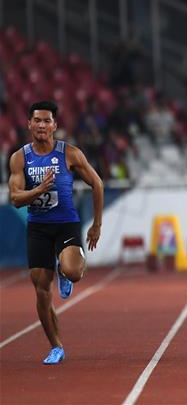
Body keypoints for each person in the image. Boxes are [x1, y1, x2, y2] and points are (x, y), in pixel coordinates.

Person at [7, 101, 104, 364]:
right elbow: (15, 198)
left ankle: (64, 270)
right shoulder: (19, 158)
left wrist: (96, 224)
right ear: (29, 124)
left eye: (46, 120)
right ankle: (56, 347)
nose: (41, 125)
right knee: (41, 291)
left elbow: (97, 183)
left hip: (65, 224)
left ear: (55, 125)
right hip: (38, 228)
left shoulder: (69, 153)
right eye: (37, 120)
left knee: (74, 271)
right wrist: (37, 191)